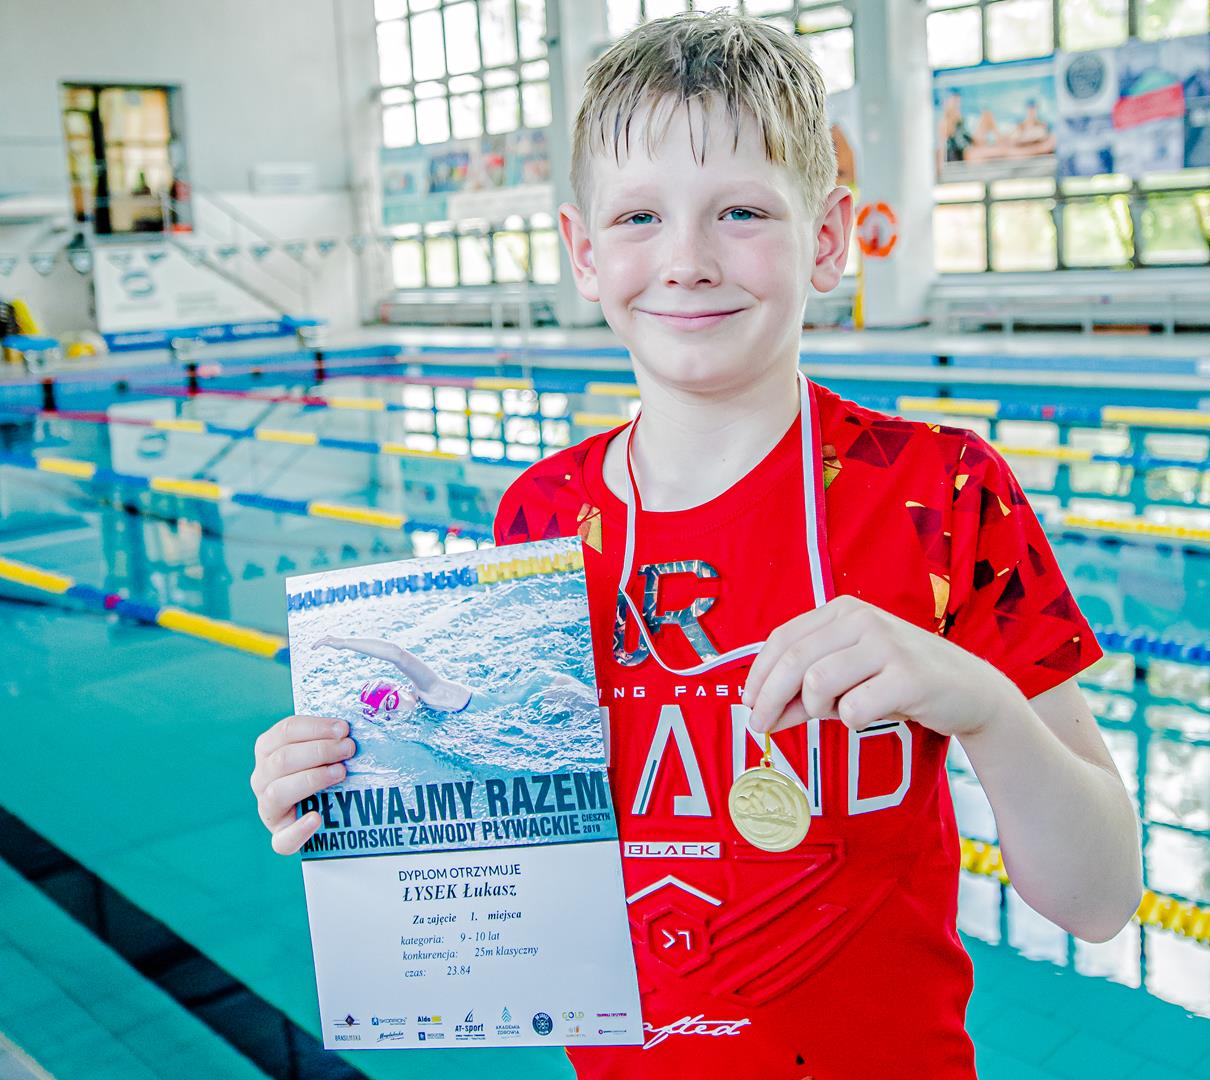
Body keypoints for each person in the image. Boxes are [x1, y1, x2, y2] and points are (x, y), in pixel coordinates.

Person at [251, 12, 1141, 1077]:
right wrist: (355, 784)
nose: (685, 261)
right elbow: (497, 828)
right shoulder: (541, 515)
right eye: (639, 216)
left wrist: (983, 703)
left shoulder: (938, 494)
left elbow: (1100, 900)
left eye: (741, 211)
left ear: (826, 238)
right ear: (585, 253)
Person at [312, 634, 593, 719]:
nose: (392, 714)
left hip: (550, 691)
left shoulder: (431, 690)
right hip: (534, 704)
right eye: (384, 716)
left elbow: (398, 654)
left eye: (390, 704)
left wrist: (343, 643)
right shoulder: (425, 709)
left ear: (400, 689)